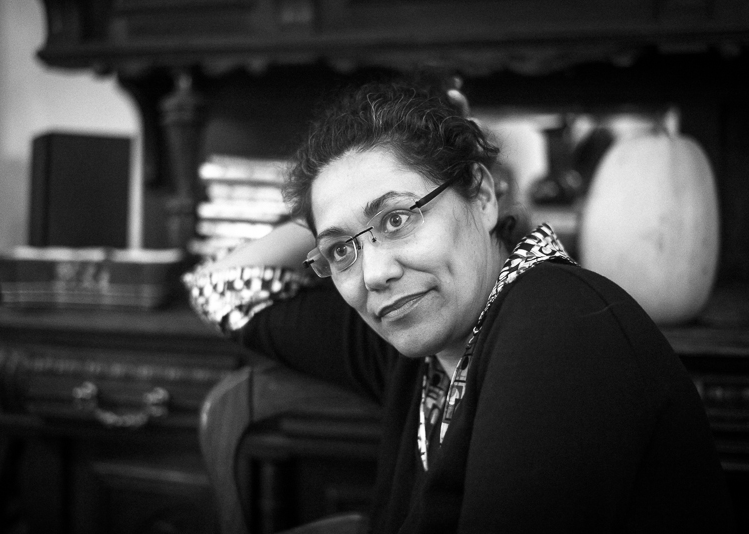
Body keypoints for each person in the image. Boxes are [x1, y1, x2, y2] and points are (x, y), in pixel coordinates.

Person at [184, 75, 734, 533]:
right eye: (342, 251)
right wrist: (329, 202)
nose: (374, 273)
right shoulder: (423, 346)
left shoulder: (558, 327)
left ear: (482, 195)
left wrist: (342, 213)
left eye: (397, 219)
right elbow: (225, 289)